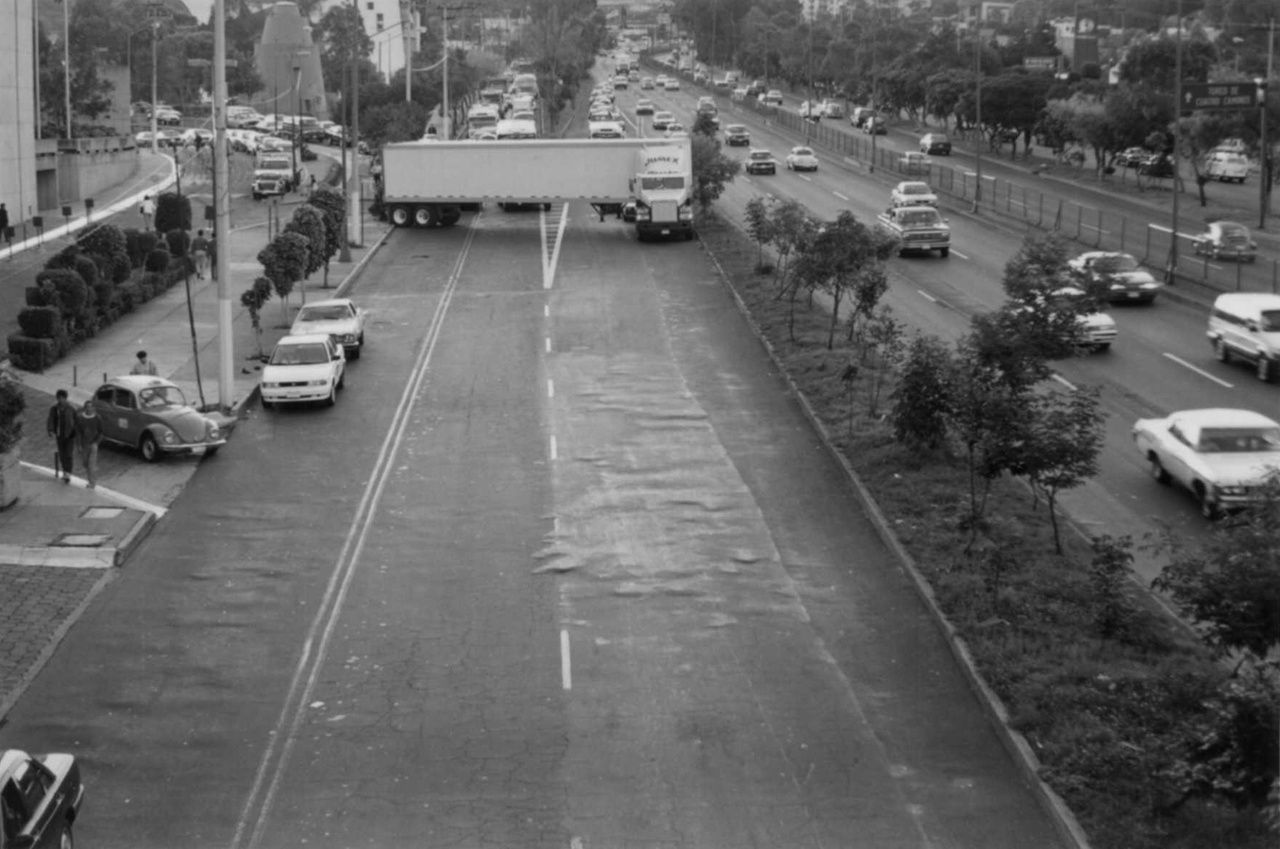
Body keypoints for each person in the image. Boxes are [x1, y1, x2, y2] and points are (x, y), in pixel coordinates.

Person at [46, 389, 77, 483]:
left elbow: (76, 420)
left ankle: (68, 472)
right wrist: (51, 430)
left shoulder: (71, 408)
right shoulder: (54, 408)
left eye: (63, 398)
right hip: (60, 435)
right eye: (59, 398)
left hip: (70, 435)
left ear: (66, 398)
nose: (61, 400)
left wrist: (75, 432)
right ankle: (65, 471)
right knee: (62, 454)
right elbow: (51, 419)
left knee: (68, 454)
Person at [75, 399, 103, 489]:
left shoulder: (98, 418)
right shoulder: (80, 418)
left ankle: (92, 482)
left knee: (91, 464)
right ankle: (92, 476)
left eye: (91, 407)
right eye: (88, 407)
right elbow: (78, 432)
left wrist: (97, 442)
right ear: (85, 408)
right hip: (84, 445)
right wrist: (79, 445)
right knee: (86, 463)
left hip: (93, 445)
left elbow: (101, 432)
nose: (89, 409)